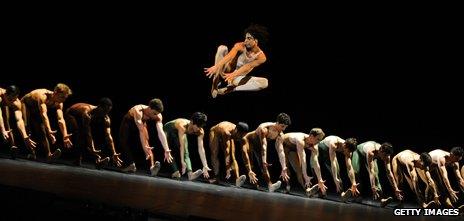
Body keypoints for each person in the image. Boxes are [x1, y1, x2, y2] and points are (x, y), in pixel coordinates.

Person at [204, 24, 269, 98]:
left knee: (265, 82)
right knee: (222, 48)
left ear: (256, 40)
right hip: (226, 70)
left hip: (237, 77)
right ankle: (215, 84)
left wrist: (234, 75)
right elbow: (229, 56)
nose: (245, 41)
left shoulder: (261, 57)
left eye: (249, 38)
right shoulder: (240, 46)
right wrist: (216, 66)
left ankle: (231, 89)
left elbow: (248, 66)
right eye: (245, 38)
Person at [119, 99, 173, 176]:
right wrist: (144, 147)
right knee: (123, 141)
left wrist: (166, 149)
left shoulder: (158, 116)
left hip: (142, 124)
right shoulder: (138, 110)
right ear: (149, 108)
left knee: (147, 144)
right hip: (128, 122)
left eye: (157, 114)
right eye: (154, 113)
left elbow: (161, 132)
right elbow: (141, 131)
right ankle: (131, 164)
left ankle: (152, 167)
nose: (155, 116)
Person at [65, 98, 122, 168]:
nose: (105, 113)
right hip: (71, 114)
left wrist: (114, 153)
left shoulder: (106, 118)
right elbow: (88, 133)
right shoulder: (87, 111)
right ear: (99, 107)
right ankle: (81, 159)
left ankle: (97, 161)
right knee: (81, 133)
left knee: (94, 136)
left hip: (82, 119)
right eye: (104, 111)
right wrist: (92, 148)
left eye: (107, 111)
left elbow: (109, 136)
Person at [21, 83, 73, 160]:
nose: (63, 100)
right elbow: (44, 114)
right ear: (55, 92)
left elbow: (60, 119)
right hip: (26, 104)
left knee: (42, 130)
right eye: (62, 97)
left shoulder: (60, 103)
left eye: (65, 98)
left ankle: (49, 154)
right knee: (26, 128)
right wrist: (49, 130)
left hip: (36, 109)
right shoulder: (43, 96)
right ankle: (31, 153)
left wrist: (65, 135)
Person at [241, 113, 291, 192]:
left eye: (285, 127)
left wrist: (284, 167)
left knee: (263, 166)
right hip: (249, 141)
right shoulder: (264, 128)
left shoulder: (280, 135)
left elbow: (281, 151)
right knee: (251, 163)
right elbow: (264, 145)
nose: (284, 129)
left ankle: (270, 185)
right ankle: (240, 178)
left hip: (259, 146)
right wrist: (264, 160)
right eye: (282, 126)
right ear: (277, 123)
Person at [275, 128, 327, 196]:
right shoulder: (300, 140)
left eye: (320, 140)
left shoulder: (315, 146)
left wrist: (320, 179)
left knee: (299, 171)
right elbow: (303, 158)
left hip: (293, 148)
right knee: (285, 168)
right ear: (311, 136)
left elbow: (316, 162)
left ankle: (307, 190)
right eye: (318, 139)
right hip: (282, 144)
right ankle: (288, 187)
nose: (319, 141)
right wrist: (305, 175)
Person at [352, 141, 401, 207]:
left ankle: (382, 200)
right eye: (384, 155)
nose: (385, 158)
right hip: (358, 152)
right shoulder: (371, 152)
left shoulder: (387, 156)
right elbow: (371, 171)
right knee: (356, 171)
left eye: (387, 156)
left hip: (372, 157)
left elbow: (389, 173)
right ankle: (356, 195)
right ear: (380, 151)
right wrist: (373, 186)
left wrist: (396, 188)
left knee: (376, 176)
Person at [163, 112, 210, 180]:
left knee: (186, 152)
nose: (199, 129)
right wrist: (182, 161)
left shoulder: (200, 131)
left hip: (180, 133)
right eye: (197, 126)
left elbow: (201, 148)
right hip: (168, 130)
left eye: (201, 126)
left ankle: (190, 174)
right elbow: (181, 146)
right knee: (168, 151)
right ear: (191, 122)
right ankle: (175, 171)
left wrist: (205, 165)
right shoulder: (182, 126)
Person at [317, 135, 359, 200]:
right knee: (331, 169)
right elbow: (332, 162)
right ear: (344, 145)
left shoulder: (349, 151)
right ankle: (320, 190)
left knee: (337, 172)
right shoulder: (334, 144)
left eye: (349, 152)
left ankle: (342, 194)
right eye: (347, 151)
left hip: (330, 151)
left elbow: (349, 168)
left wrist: (353, 182)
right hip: (322, 147)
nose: (347, 153)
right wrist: (335, 177)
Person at [208, 121, 249, 186]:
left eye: (242, 135)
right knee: (214, 153)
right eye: (240, 135)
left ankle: (237, 179)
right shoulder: (227, 132)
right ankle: (216, 177)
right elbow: (226, 152)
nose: (240, 138)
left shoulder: (236, 132)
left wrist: (249, 170)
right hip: (215, 133)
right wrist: (227, 168)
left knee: (233, 155)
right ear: (236, 130)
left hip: (229, 134)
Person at [0, 85, 36, 157]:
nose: (12, 102)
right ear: (5, 94)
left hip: (2, 105)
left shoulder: (16, 102)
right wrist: (3, 130)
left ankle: (12, 145)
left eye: (14, 99)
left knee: (6, 117)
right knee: (4, 117)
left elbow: (19, 120)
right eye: (10, 99)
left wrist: (25, 136)